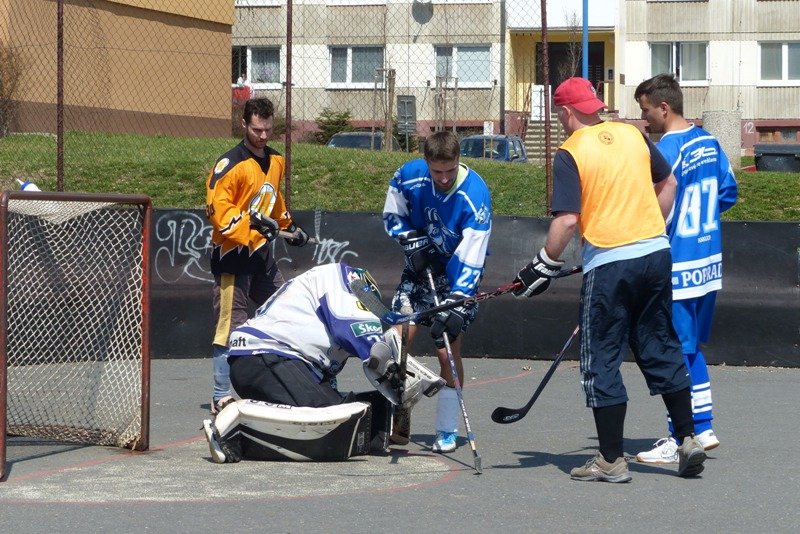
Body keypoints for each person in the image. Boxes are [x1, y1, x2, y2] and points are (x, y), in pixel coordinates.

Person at [512, 77, 706, 482]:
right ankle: (688, 438)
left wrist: (543, 264)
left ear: (565, 112)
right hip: (655, 254)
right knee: (658, 343)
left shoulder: (570, 151)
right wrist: (646, 229)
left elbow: (568, 220)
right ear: (595, 106)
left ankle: (611, 459)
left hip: (610, 263)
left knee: (600, 356)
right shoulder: (632, 134)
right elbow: (668, 182)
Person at [202, 262, 444, 463]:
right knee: (328, 422)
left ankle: (382, 423)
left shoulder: (317, 296)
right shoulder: (347, 280)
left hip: (267, 360)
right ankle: (233, 429)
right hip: (268, 355)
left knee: (349, 415)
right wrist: (397, 373)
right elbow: (368, 343)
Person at [633, 73, 738, 463]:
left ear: (664, 108)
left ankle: (681, 435)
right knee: (689, 348)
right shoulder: (710, 142)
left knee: (673, 350)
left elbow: (651, 207)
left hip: (677, 265)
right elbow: (728, 192)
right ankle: (703, 427)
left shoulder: (664, 150)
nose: (644, 119)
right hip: (708, 263)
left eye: (646, 110)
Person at [382, 130, 492, 453]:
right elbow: (393, 213)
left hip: (457, 276)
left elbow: (472, 257)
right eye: (437, 171)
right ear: (426, 163)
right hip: (420, 267)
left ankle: (446, 428)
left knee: (446, 350)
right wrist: (410, 240)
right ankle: (397, 415)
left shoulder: (475, 195)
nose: (444, 178)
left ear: (459, 160)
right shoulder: (409, 175)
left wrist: (456, 303)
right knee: (398, 340)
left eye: (450, 170)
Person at [205, 97, 310, 415]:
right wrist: (252, 225)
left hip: (261, 256)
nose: (263, 136)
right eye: (256, 130)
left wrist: (289, 226)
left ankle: (285, 383)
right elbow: (218, 211)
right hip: (232, 257)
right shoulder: (230, 164)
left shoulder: (276, 160)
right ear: (244, 124)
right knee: (230, 326)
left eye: (267, 130)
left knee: (285, 310)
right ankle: (221, 394)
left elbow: (274, 200)